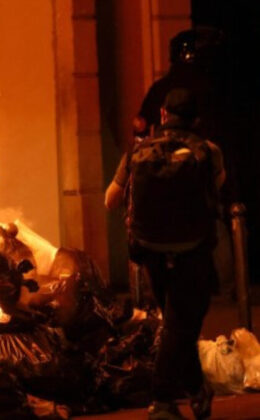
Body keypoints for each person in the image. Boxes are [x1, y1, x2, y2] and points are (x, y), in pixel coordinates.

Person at [105, 89, 225, 420]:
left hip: (151, 250)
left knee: (175, 323)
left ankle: (197, 389)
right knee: (181, 324)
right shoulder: (209, 152)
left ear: (162, 115)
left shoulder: (137, 151)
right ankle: (161, 400)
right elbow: (218, 187)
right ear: (196, 119)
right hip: (193, 249)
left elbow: (109, 200)